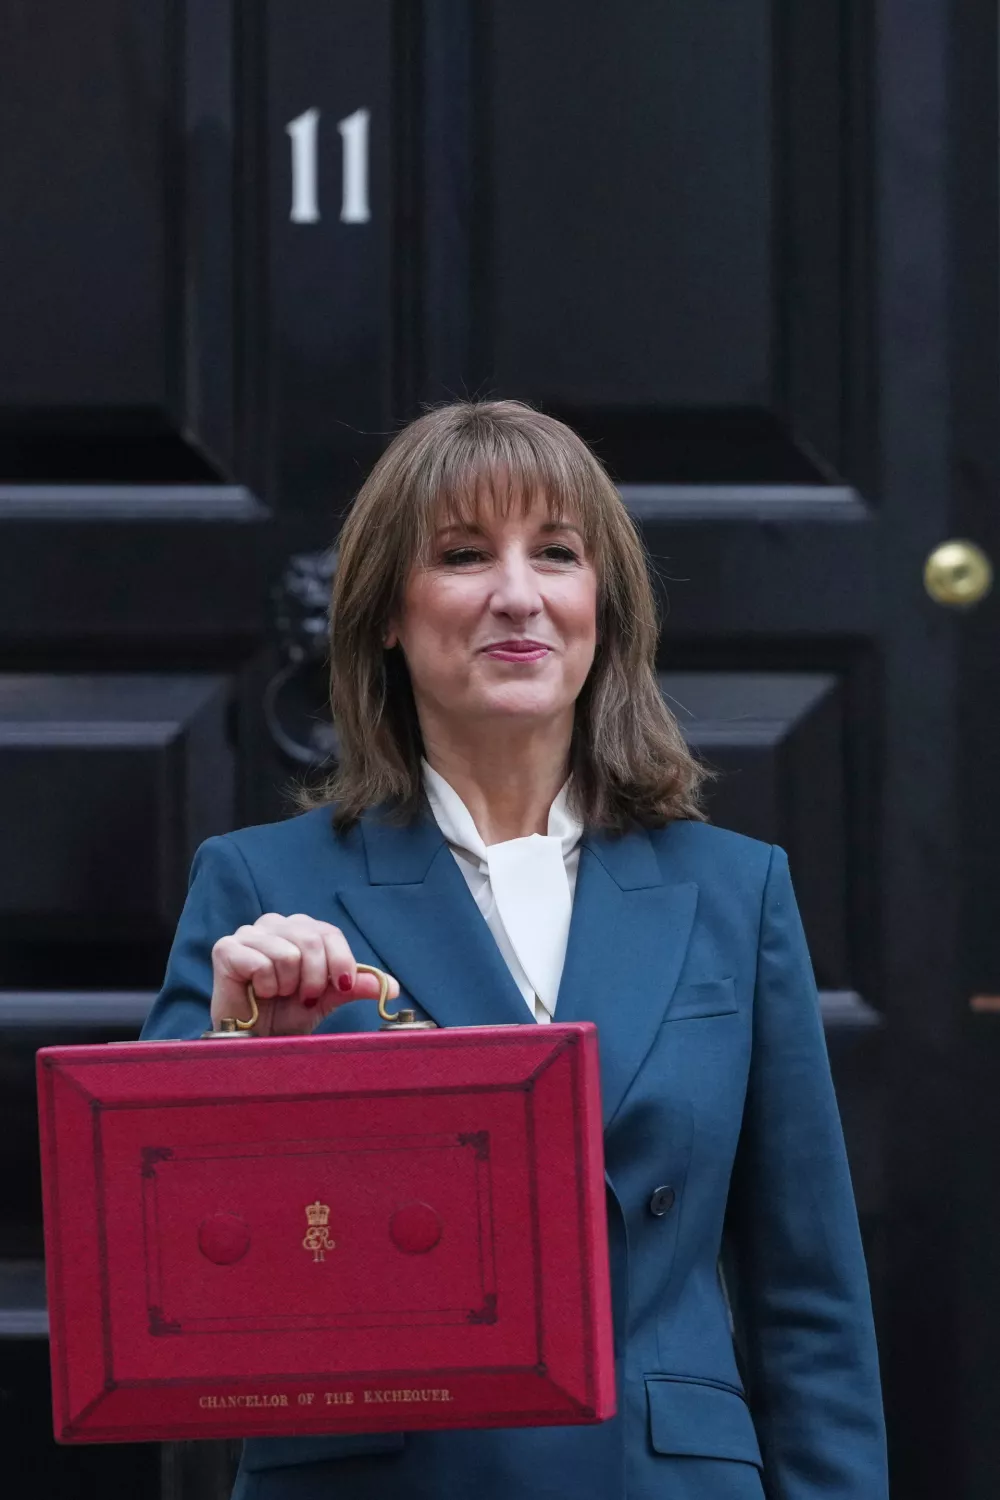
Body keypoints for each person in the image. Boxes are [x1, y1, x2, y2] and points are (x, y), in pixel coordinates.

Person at [142, 400, 888, 1500]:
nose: (517, 594)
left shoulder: (733, 891)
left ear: (602, 606)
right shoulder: (262, 888)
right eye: (460, 555)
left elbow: (807, 1296)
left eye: (556, 553)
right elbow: (159, 1275)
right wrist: (243, 1059)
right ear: (387, 614)